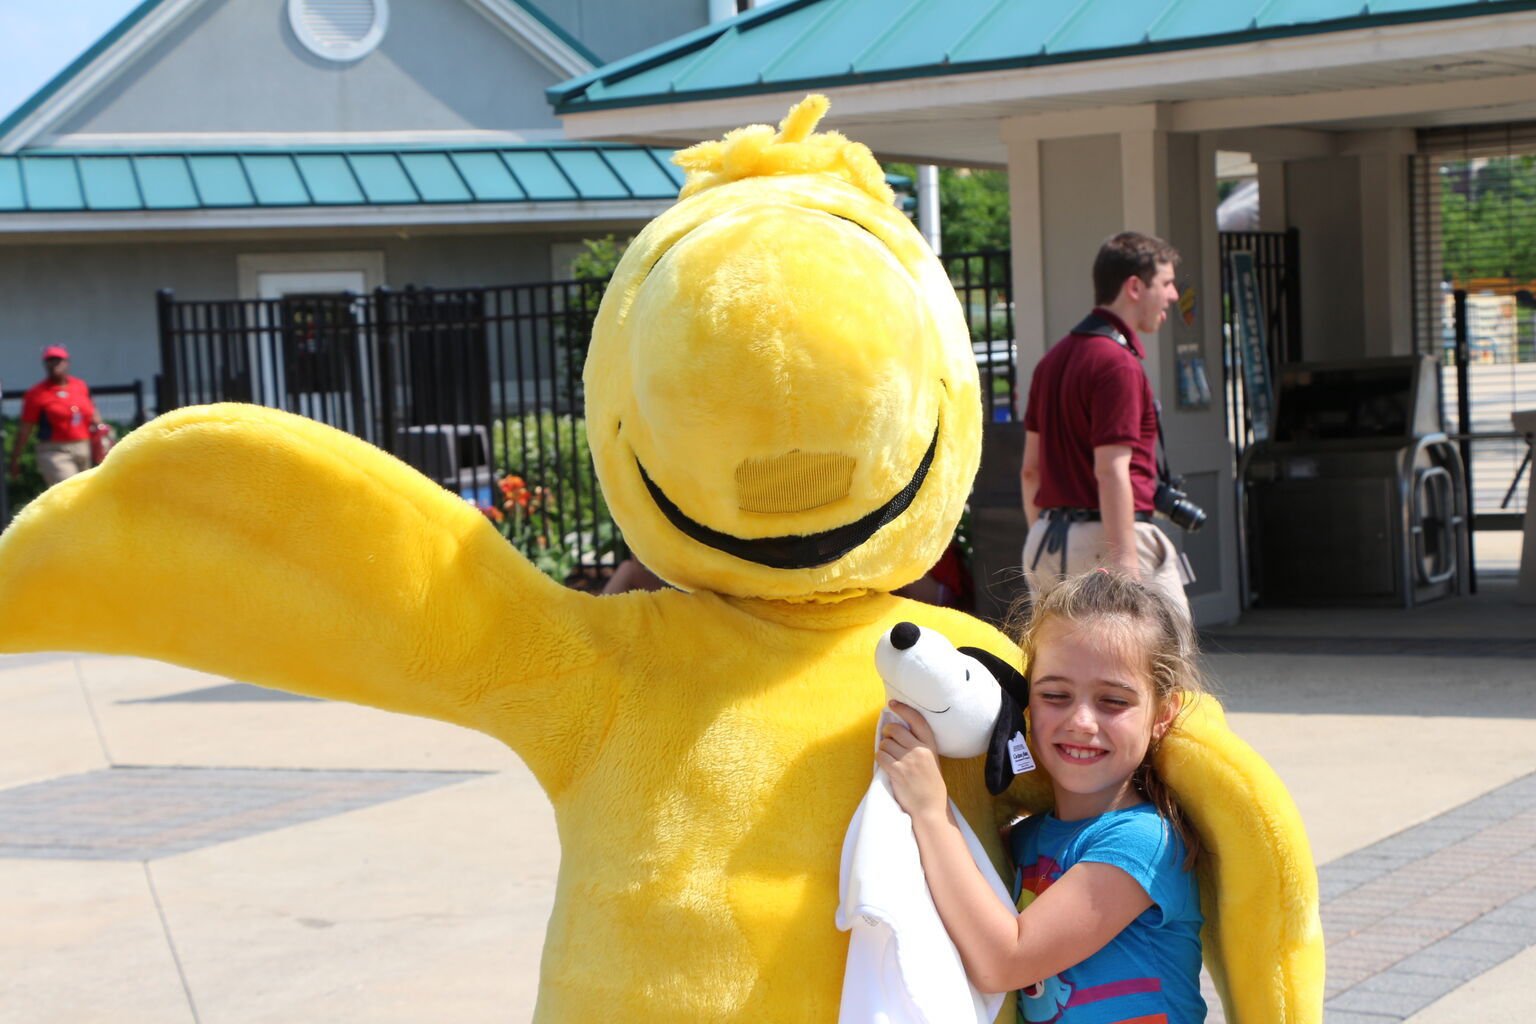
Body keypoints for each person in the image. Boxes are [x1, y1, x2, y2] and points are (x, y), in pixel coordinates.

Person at [878, 569, 1207, 1023]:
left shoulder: (1144, 843)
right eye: (1055, 695)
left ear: (1162, 715)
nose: (1081, 721)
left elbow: (1004, 962)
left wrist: (931, 811)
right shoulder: (1025, 840)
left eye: (1113, 701)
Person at [1020, 231, 1190, 617]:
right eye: (1165, 283)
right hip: (1111, 542)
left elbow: (1030, 471)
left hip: (1046, 540)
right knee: (1168, 665)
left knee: (1060, 672)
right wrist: (1127, 568)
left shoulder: (1050, 363)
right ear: (1134, 287)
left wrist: (1041, 536)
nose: (1173, 295)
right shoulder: (1117, 363)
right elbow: (1112, 472)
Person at [9, 345, 105, 488]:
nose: (54, 365)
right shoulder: (37, 393)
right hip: (54, 451)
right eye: (50, 361)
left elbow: (92, 412)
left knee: (86, 494)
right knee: (69, 492)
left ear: (67, 362)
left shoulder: (80, 386)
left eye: (58, 360)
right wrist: (16, 458)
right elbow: (25, 428)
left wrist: (101, 432)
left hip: (83, 447)